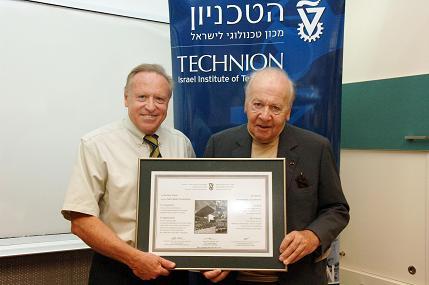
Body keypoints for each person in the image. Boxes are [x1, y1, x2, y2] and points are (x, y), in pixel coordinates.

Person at [201, 67, 350, 284]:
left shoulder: (316, 148)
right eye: (257, 104)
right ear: (245, 104)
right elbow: (208, 208)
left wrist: (312, 236)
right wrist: (211, 257)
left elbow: (337, 209)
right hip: (234, 277)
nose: (265, 115)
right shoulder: (219, 144)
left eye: (276, 108)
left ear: (289, 111)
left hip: (297, 277)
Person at [61, 64, 195, 284]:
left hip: (173, 271)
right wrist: (135, 259)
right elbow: (80, 220)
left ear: (168, 104)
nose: (151, 106)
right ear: (126, 99)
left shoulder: (181, 143)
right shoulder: (96, 145)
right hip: (118, 269)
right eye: (142, 97)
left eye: (160, 99)